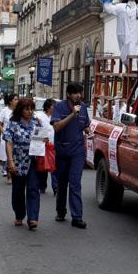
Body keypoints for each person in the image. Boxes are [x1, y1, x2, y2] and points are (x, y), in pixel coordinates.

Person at [51, 83, 92, 229]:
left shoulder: (83, 108)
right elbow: (56, 126)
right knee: (62, 184)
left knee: (75, 183)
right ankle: (61, 211)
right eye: (75, 93)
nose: (78, 96)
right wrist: (72, 114)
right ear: (68, 94)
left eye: (80, 93)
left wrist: (88, 131)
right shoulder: (59, 107)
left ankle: (77, 217)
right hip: (62, 151)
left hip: (77, 152)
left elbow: (84, 125)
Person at [4, 98, 46, 230]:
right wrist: (10, 161)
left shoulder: (36, 122)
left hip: (33, 161)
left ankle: (33, 218)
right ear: (20, 110)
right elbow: (9, 143)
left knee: (34, 189)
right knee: (18, 191)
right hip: (18, 161)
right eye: (26, 109)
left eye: (31, 108)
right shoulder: (13, 123)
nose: (30, 111)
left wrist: (44, 140)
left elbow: (41, 140)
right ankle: (19, 215)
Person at [36, 99, 57, 195]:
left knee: (54, 167)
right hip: (43, 145)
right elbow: (36, 131)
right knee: (43, 168)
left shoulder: (57, 117)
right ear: (48, 107)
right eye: (53, 106)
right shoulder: (39, 116)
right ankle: (42, 186)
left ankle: (56, 187)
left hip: (53, 145)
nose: (55, 108)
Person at [0, 93, 19, 184]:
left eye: (17, 99)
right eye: (15, 99)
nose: (17, 101)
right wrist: (5, 133)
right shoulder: (4, 111)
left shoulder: (19, 111)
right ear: (10, 101)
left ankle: (14, 175)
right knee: (7, 157)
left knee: (15, 157)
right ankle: (9, 177)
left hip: (17, 137)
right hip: (6, 138)